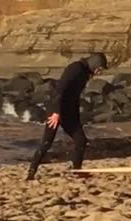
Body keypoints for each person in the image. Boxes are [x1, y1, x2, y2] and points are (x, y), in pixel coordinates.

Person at [26, 52, 108, 180]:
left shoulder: (85, 73)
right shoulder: (75, 69)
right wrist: (56, 112)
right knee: (47, 141)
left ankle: (76, 170)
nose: (99, 72)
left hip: (69, 111)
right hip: (56, 109)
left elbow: (74, 97)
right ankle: (31, 171)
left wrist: (76, 117)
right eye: (100, 68)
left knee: (81, 140)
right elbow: (60, 90)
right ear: (94, 64)